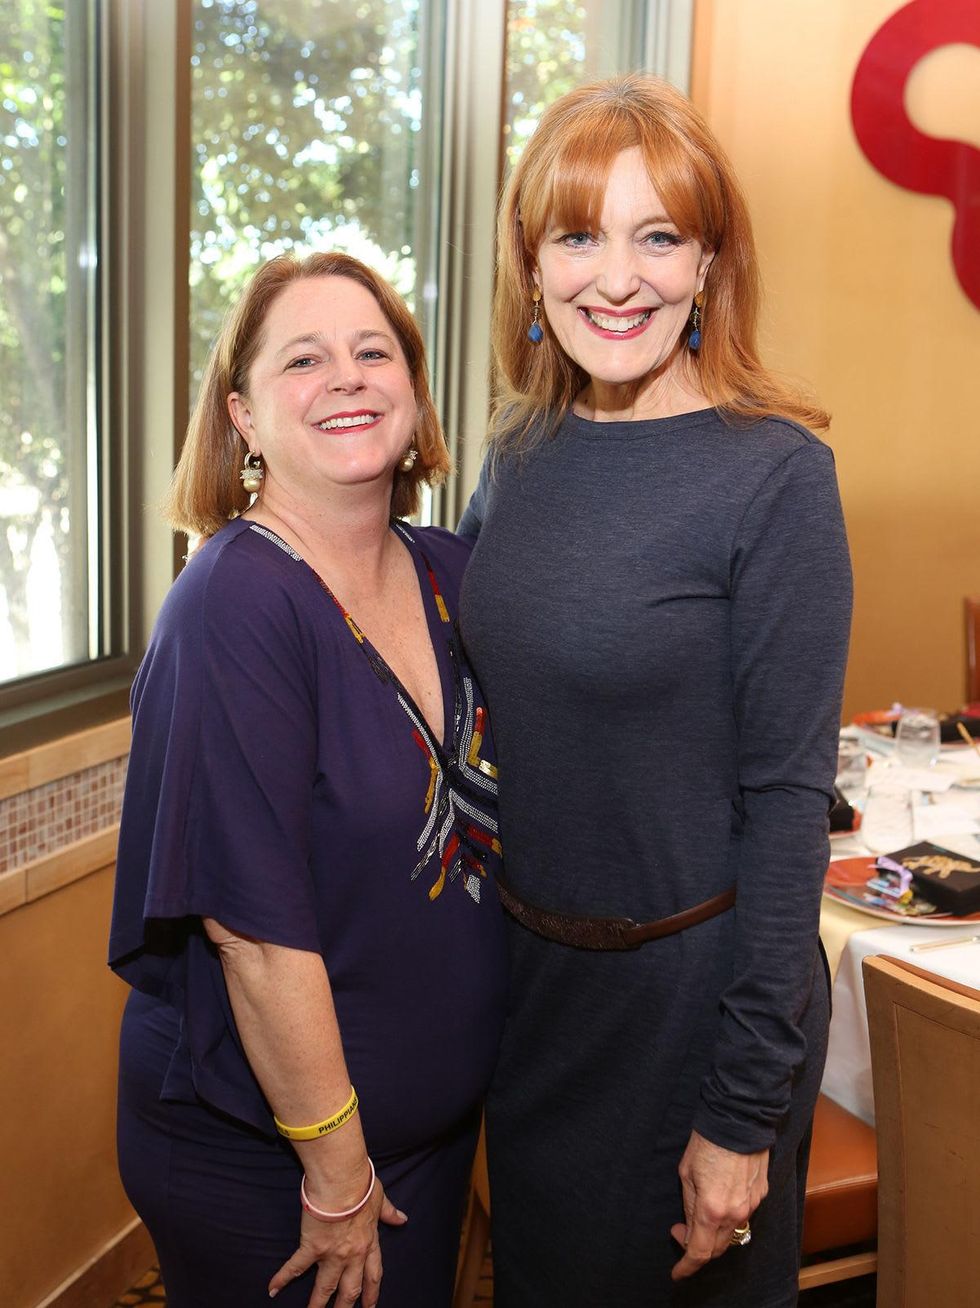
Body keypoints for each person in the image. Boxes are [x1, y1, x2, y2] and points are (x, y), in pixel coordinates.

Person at [457, 74, 852, 1307]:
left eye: (657, 237)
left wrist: (740, 1115)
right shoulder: (514, 457)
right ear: (530, 264)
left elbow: (788, 812)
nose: (613, 278)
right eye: (577, 235)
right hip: (537, 1003)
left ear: (705, 265)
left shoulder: (772, 478)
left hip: (692, 1017)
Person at [109, 251, 508, 1308]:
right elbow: (253, 932)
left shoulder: (449, 575)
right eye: (304, 359)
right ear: (241, 417)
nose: (347, 376)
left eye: (372, 351)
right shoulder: (235, 606)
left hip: (422, 1139)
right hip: (274, 1158)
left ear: (413, 391)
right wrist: (333, 1173)